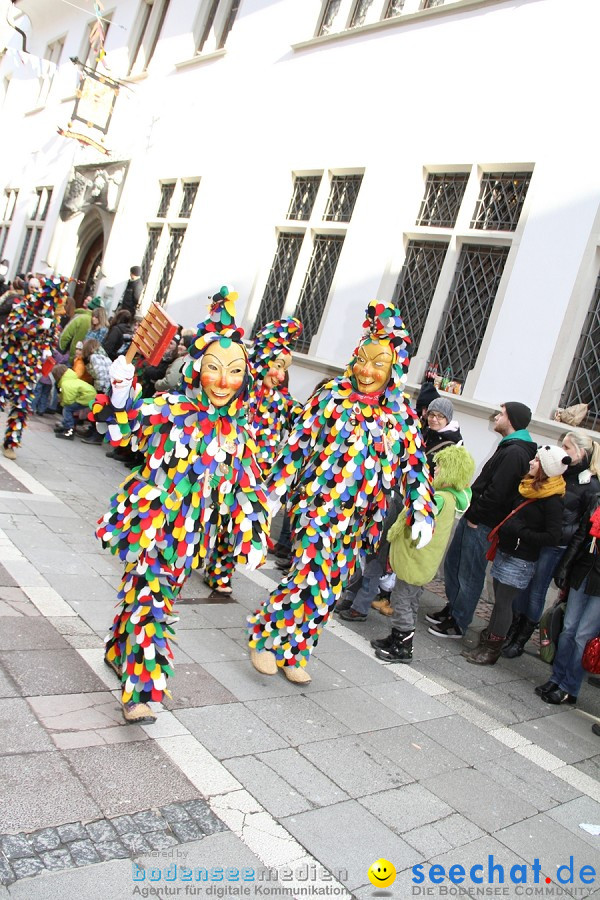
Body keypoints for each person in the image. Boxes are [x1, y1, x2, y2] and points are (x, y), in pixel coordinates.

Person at [91, 286, 269, 724]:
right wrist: (118, 395)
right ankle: (142, 692)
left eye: (233, 371)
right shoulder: (170, 409)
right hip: (152, 526)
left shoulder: (237, 432)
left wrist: (254, 531)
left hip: (191, 541)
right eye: (214, 369)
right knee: (151, 600)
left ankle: (118, 651)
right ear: (196, 371)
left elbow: (246, 486)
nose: (224, 381)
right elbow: (118, 431)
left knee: (149, 596)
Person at [247, 299, 435, 684]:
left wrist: (422, 510)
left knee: (330, 586)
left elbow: (415, 467)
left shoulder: (401, 417)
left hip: (362, 521)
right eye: (362, 360)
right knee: (308, 574)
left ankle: (296, 650)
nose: (367, 371)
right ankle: (266, 638)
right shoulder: (332, 396)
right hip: (320, 506)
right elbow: (297, 446)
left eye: (377, 364)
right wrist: (274, 492)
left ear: (393, 369)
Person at [203, 317, 303, 594]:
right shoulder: (241, 392)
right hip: (227, 464)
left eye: (284, 369)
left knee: (239, 518)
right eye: (277, 366)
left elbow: (305, 421)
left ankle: (221, 570)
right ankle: (192, 550)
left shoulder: (284, 403)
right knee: (211, 510)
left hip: (259, 473)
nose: (280, 375)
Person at [428, 402, 537, 639]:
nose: (496, 417)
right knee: (455, 564)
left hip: (482, 522)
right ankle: (454, 608)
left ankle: (459, 621)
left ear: (512, 420)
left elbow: (498, 492)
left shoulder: (516, 452)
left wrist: (476, 516)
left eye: (502, 414)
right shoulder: (511, 447)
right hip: (476, 516)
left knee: (469, 572)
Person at [462, 445, 569, 666]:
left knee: (503, 604)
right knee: (500, 601)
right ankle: (487, 643)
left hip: (520, 560)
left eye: (537, 460)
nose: (531, 462)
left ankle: (492, 650)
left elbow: (552, 536)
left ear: (546, 468)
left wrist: (519, 532)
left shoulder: (552, 500)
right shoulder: (529, 486)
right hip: (506, 551)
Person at [372, 444, 475, 663]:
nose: (435, 469)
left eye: (440, 466)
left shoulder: (439, 499)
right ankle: (395, 637)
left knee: (401, 601)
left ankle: (403, 646)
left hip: (415, 558)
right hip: (421, 559)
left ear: (451, 471)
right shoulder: (449, 498)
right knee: (411, 599)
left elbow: (416, 516)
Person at [503, 431, 600, 658]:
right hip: (538, 537)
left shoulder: (590, 485)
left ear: (580, 453)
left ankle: (521, 638)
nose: (561, 450)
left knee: (537, 590)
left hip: (557, 545)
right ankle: (511, 630)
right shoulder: (559, 472)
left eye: (566, 447)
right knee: (522, 585)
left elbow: (583, 526)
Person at [535, 490, 600, 704]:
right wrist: (564, 568)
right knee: (568, 628)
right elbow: (580, 537)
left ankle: (569, 686)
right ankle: (557, 678)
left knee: (583, 636)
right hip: (582, 573)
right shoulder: (596, 499)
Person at [0, 277, 66, 459]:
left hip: (29, 367)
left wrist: (46, 348)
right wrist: (34, 326)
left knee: (21, 406)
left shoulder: (51, 316)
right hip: (9, 362)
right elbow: (10, 331)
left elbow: (50, 339)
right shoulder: (23, 307)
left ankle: (10, 443)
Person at [51, 363, 97, 440]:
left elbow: (68, 400)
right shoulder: (71, 379)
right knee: (70, 409)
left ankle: (69, 430)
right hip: (90, 396)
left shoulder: (66, 383)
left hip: (87, 398)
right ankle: (66, 426)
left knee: (67, 409)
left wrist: (62, 403)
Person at [422, 396, 463, 462]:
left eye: (440, 416)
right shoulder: (424, 434)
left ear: (447, 420)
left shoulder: (452, 446)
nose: (434, 419)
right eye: (431, 414)